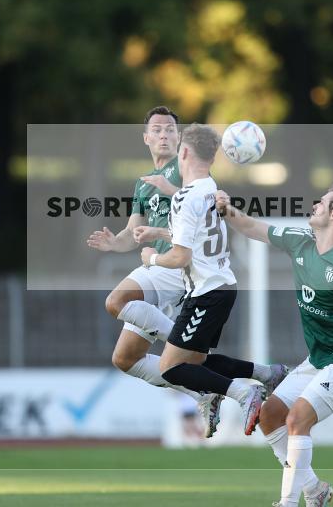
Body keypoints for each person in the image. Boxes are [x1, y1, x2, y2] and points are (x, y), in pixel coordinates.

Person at [216, 183, 333, 507]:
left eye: (323, 201)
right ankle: (314, 488)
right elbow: (251, 226)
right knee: (271, 414)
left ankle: (289, 503)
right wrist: (227, 209)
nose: (313, 204)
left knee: (297, 419)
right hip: (318, 359)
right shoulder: (299, 241)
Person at [138, 123, 288, 436]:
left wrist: (151, 258)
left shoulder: (185, 198)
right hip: (221, 288)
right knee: (197, 362)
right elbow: (192, 235)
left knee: (171, 368)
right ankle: (264, 373)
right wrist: (159, 232)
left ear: (185, 152)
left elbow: (181, 257)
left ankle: (243, 392)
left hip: (205, 293)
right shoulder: (210, 188)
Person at [87, 107, 221, 436]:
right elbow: (133, 232)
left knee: (116, 302)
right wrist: (113, 243)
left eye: (170, 130)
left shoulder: (187, 168)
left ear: (179, 138)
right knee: (125, 359)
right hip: (157, 268)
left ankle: (188, 345)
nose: (164, 134)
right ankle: (202, 390)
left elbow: (207, 203)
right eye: (157, 130)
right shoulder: (144, 183)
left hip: (179, 266)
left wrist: (170, 189)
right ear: (146, 138)